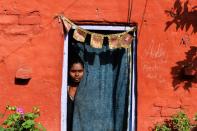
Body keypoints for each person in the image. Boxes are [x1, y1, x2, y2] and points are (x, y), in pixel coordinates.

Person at [67, 58, 84, 131]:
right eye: (73, 71)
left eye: (80, 71)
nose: (77, 74)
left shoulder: (88, 90)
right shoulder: (64, 90)